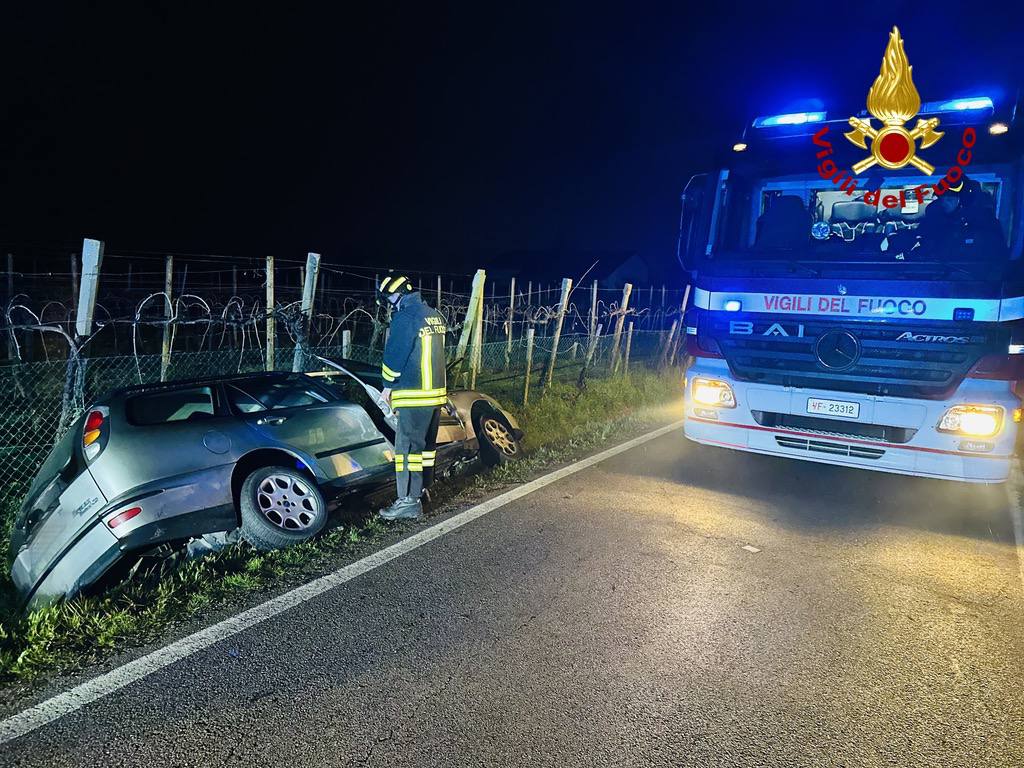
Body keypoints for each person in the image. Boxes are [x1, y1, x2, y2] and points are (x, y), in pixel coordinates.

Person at [376, 273, 447, 520]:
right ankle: (423, 490)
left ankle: (408, 500)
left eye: (388, 299)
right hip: (435, 395)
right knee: (426, 450)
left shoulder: (405, 317)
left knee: (407, 450)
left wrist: (386, 385)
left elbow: (395, 357)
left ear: (394, 296)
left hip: (414, 396)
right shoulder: (434, 315)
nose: (389, 303)